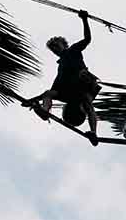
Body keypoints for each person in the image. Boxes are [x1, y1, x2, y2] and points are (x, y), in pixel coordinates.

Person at [23, 10, 102, 145]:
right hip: (69, 93)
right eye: (52, 48)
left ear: (64, 44)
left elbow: (87, 39)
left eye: (56, 45)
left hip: (82, 86)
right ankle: (44, 112)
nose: (55, 49)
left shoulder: (73, 50)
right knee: (48, 93)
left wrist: (84, 19)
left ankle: (94, 132)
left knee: (87, 103)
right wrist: (31, 100)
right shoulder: (61, 67)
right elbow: (50, 92)